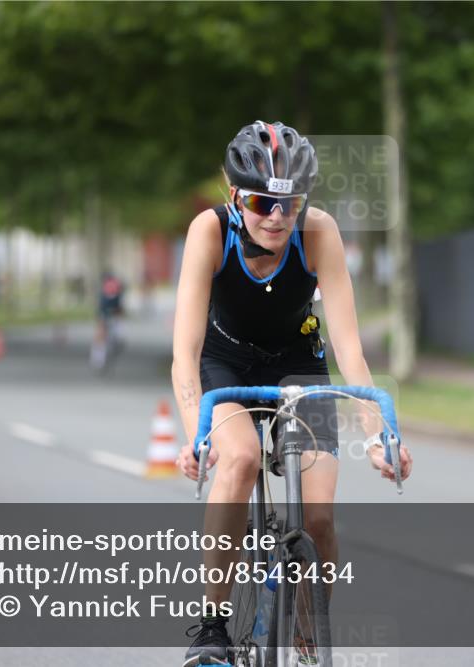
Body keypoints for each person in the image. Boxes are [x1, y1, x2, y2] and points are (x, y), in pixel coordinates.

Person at [172, 121, 413, 666]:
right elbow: (184, 354)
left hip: (301, 365)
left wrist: (382, 436)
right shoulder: (208, 232)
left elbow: (351, 351)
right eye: (261, 203)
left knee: (320, 518)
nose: (277, 217)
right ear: (234, 195)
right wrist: (197, 436)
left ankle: (309, 636)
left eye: (290, 203)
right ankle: (212, 630)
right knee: (237, 461)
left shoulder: (319, 233)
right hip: (225, 362)